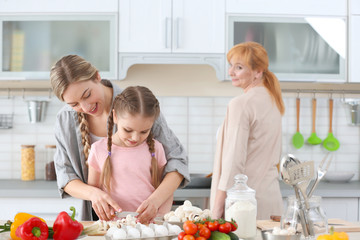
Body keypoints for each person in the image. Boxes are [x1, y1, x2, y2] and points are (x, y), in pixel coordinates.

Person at [50, 55, 190, 222]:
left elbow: (177, 162)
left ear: (97, 76)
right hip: (101, 221)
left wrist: (156, 202)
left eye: (87, 95)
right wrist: (94, 194)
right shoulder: (64, 119)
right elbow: (66, 176)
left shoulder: (137, 106)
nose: (85, 107)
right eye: (74, 104)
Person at [210, 41, 285, 220]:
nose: (231, 72)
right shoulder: (273, 100)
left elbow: (233, 161)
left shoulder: (240, 104)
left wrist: (217, 209)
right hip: (271, 200)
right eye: (231, 66)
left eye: (239, 67)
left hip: (244, 206)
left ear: (258, 71)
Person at [87, 86, 173, 220]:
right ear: (115, 116)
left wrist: (160, 217)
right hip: (114, 227)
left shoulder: (156, 148)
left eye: (144, 131)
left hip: (149, 226)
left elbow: (165, 191)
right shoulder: (98, 149)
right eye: (128, 130)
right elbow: (93, 192)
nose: (135, 138)